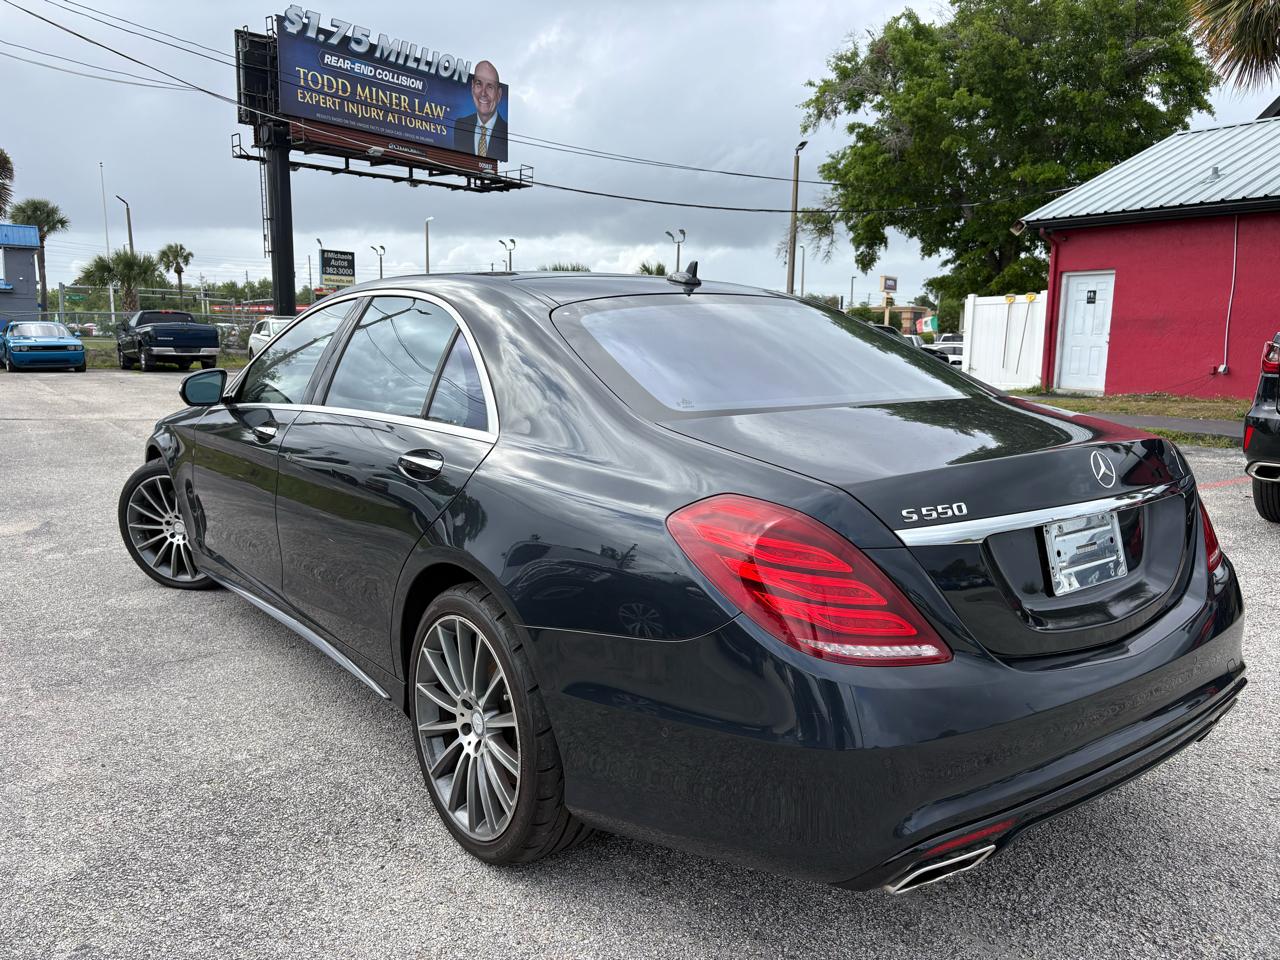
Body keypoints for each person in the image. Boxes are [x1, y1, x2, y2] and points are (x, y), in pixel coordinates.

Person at [451, 60, 507, 161]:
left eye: (490, 87)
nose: (483, 93)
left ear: (498, 94)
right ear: (472, 87)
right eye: (478, 84)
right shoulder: (460, 125)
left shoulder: (504, 131)